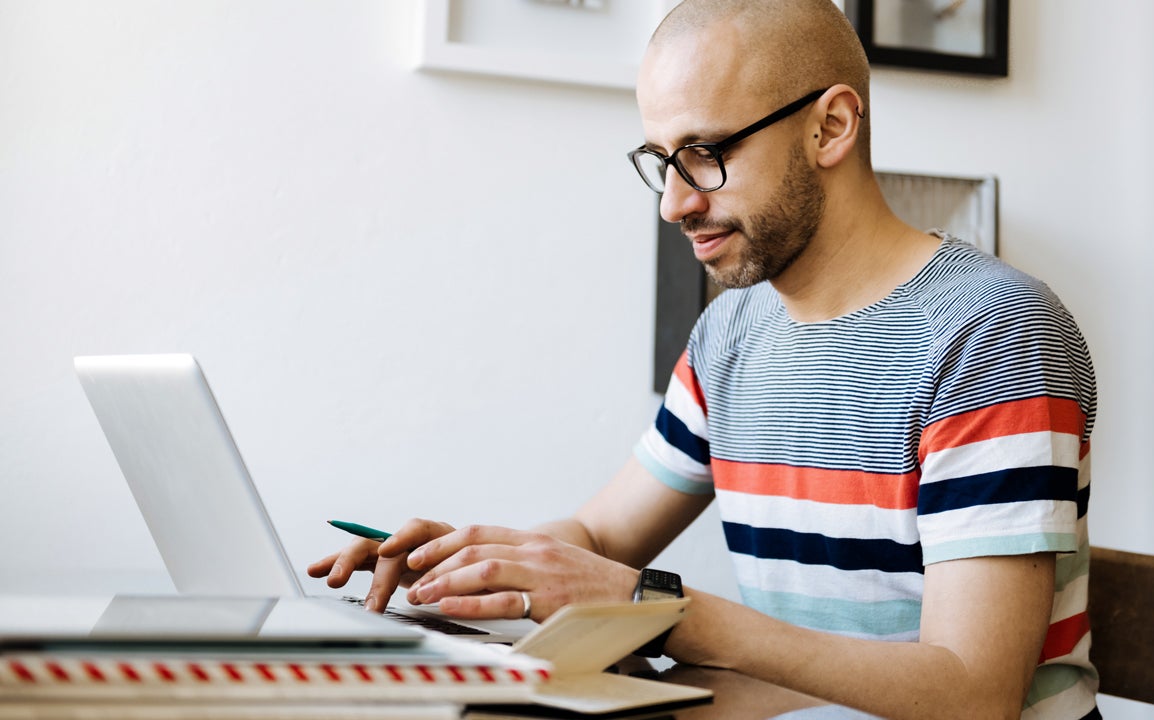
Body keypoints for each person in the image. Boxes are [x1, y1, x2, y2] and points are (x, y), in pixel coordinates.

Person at [308, 1, 1100, 717]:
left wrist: (663, 607)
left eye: (705, 152)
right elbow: (601, 536)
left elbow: (975, 693)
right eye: (661, 160)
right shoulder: (731, 334)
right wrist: (473, 570)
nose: (674, 202)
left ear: (831, 126)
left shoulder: (990, 334)